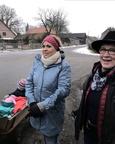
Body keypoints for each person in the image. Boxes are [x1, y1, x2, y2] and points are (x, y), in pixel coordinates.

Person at [25, 35, 71, 144]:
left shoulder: (63, 66)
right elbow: (29, 83)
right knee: (44, 136)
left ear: (56, 48)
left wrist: (42, 106)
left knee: (51, 139)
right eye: (43, 46)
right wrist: (32, 102)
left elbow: (63, 90)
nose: (45, 49)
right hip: (36, 108)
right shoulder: (37, 63)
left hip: (52, 114)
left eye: (49, 46)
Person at [73, 31, 115, 144]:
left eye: (112, 50)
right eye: (103, 49)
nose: (106, 54)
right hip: (89, 134)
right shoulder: (93, 75)